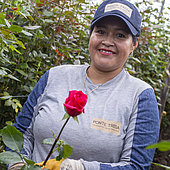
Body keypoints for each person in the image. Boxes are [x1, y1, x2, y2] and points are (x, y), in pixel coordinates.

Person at [8, 0, 160, 169]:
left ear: (134, 44)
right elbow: (21, 132)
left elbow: (136, 166)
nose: (108, 41)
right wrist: (17, 163)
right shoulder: (54, 76)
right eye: (101, 32)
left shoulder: (140, 95)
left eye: (120, 35)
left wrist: (79, 167)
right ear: (91, 35)